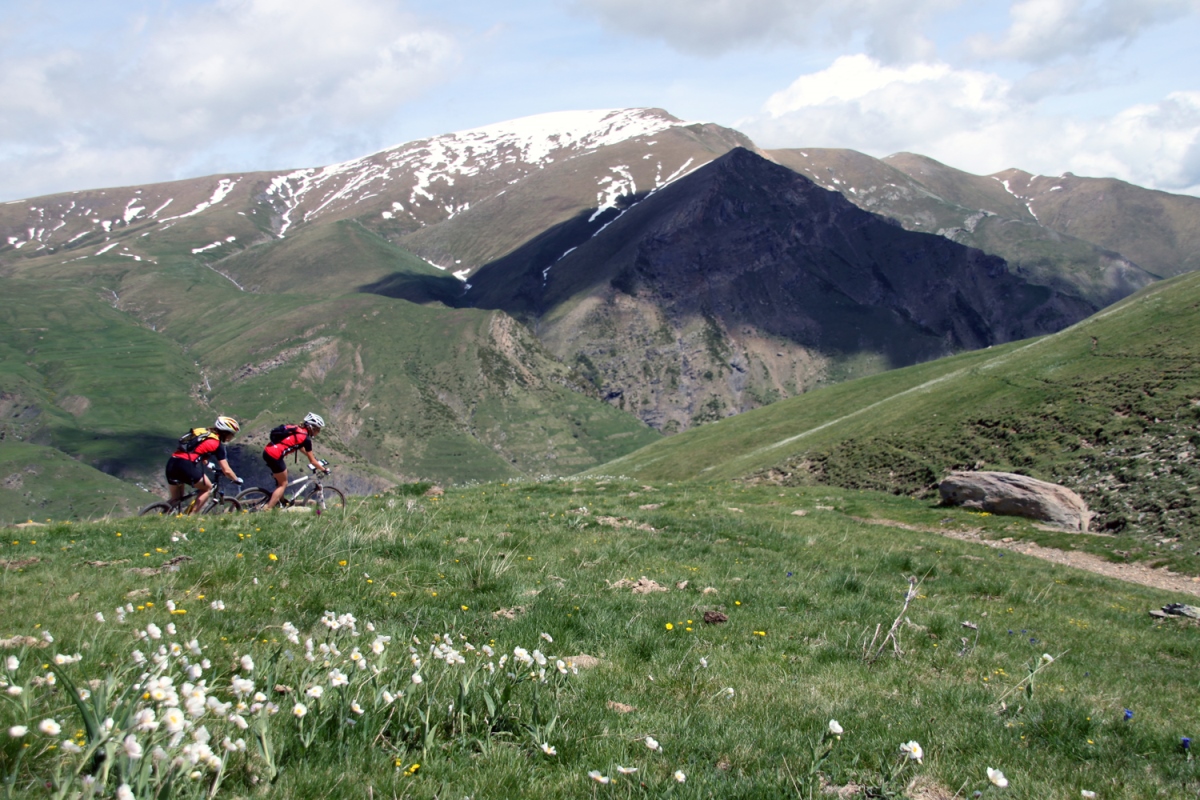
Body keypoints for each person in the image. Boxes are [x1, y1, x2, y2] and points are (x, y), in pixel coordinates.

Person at [165, 416, 244, 513]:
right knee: (207, 488)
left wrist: (208, 464)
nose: (232, 437)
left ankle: (160, 515)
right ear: (225, 433)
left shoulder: (202, 432)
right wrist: (236, 479)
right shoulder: (217, 444)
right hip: (185, 465)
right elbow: (226, 470)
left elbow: (197, 450)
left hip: (172, 462)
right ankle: (191, 517)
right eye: (232, 434)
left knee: (175, 499)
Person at [262, 412, 328, 509]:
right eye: (318, 429)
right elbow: (312, 462)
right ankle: (268, 509)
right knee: (283, 484)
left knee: (284, 474)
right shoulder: (306, 439)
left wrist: (312, 456)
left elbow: (300, 447)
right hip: (275, 456)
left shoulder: (297, 429)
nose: (318, 432)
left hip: (267, 451)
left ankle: (281, 501)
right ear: (311, 428)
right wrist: (324, 469)